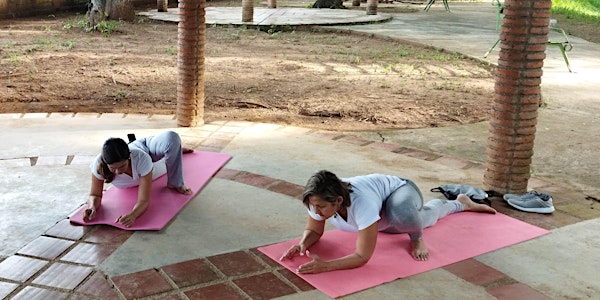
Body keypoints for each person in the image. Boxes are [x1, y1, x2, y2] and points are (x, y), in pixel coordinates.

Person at [280, 170, 496, 274]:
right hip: (379, 212)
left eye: (320, 207)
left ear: (338, 201)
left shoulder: (361, 203)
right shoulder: (318, 200)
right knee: (390, 221)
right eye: (312, 206)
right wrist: (303, 244)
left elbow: (362, 256)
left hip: (401, 191)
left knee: (405, 218)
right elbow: (314, 230)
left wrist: (325, 266)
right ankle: (456, 205)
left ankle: (459, 205)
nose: (315, 211)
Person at [83, 130, 193, 227]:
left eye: (122, 166)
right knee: (170, 150)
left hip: (144, 147)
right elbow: (95, 195)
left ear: (129, 157)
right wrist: (92, 207)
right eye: (113, 168)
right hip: (136, 149)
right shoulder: (99, 163)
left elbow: (144, 200)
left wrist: (133, 215)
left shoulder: (142, 160)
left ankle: (174, 157)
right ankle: (174, 150)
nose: (118, 172)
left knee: (172, 137)